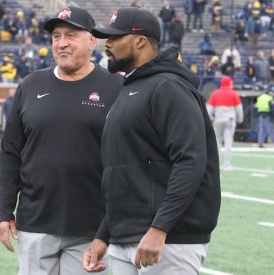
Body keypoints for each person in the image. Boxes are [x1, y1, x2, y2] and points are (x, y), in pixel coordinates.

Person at [85, 7, 220, 274]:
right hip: (126, 235)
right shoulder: (131, 88)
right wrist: (105, 233)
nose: (107, 44)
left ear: (140, 41)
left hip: (167, 240)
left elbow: (190, 162)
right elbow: (122, 171)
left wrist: (160, 228)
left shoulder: (169, 88)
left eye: (114, 37)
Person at [0, 6, 122, 275]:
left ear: (91, 41)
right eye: (56, 36)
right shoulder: (30, 85)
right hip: (35, 221)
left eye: (71, 35)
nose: (62, 43)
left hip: (92, 226)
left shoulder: (115, 86)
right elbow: (10, 153)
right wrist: (3, 212)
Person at [207, 76, 243, 171]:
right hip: (229, 120)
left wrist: (210, 119)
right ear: (230, 83)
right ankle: (226, 164)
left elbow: (208, 109)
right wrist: (240, 119)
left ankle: (216, 165)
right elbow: (239, 109)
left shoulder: (215, 94)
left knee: (217, 142)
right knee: (228, 142)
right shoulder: (233, 94)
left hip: (218, 120)